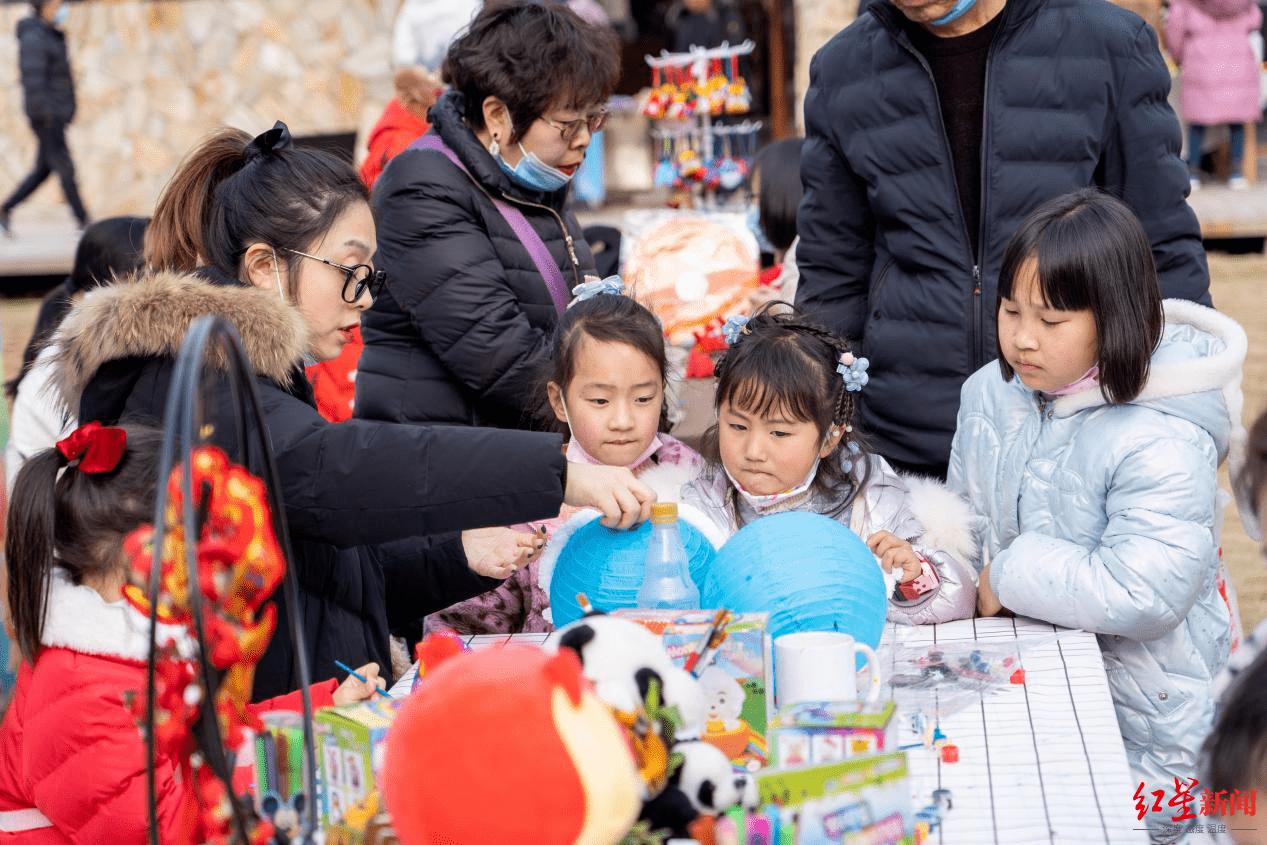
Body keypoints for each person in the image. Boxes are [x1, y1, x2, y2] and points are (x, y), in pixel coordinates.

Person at [45, 122, 654, 700]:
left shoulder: (257, 370)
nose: (363, 300)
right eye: (348, 271)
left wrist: (455, 556)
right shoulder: (201, 374)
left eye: (371, 276)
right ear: (264, 268)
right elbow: (333, 469)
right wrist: (560, 473)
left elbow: (331, 565)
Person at [795, 0, 1211, 480]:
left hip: (1081, 433)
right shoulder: (842, 69)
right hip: (904, 446)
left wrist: (1188, 412)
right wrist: (826, 417)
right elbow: (831, 274)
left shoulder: (1109, 46)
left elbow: (1162, 246)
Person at [946, 189, 1246, 844]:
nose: (1021, 337)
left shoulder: (1159, 432)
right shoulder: (989, 396)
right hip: (1023, 697)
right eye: (1008, 310)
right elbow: (963, 532)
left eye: (1050, 321)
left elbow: (1145, 592)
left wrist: (1009, 573)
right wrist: (934, 577)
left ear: (1113, 317)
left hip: (1151, 725)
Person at [0, 424, 386, 843]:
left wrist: (321, 712)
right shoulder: (81, 691)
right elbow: (165, 829)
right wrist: (283, 772)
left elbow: (212, 736)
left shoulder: (135, 644)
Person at [357, 0, 620, 430]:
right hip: (445, 460)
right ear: (497, 114)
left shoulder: (528, 176)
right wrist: (616, 425)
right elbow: (504, 361)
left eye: (594, 118)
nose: (585, 139)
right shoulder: (422, 189)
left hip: (515, 449)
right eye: (569, 124)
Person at [426, 278, 705, 635]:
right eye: (600, 401)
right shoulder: (527, 496)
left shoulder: (685, 468)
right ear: (559, 401)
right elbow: (467, 623)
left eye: (643, 399)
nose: (623, 421)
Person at [681, 303, 977, 625]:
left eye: (779, 432)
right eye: (737, 426)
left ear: (830, 438)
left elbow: (956, 597)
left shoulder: (867, 500)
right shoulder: (701, 505)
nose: (753, 450)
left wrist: (913, 574)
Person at [5, 217, 149, 490]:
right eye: (158, 262)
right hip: (54, 506)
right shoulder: (95, 341)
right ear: (128, 273)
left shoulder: (84, 323)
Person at [0, 0, 89, 237]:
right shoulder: (34, 37)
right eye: (57, 3)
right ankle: (84, 221)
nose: (61, 8)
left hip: (53, 114)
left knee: (43, 170)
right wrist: (49, 114)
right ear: (45, 6)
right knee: (65, 168)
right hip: (46, 116)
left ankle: (5, 209)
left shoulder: (48, 34)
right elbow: (34, 82)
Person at [1166, 0, 1263, 191]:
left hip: (1200, 63)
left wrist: (1179, 57)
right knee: (1237, 121)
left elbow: (1174, 30)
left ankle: (1193, 172)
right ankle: (1237, 173)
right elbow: (1255, 20)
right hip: (1238, 63)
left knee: (1196, 123)